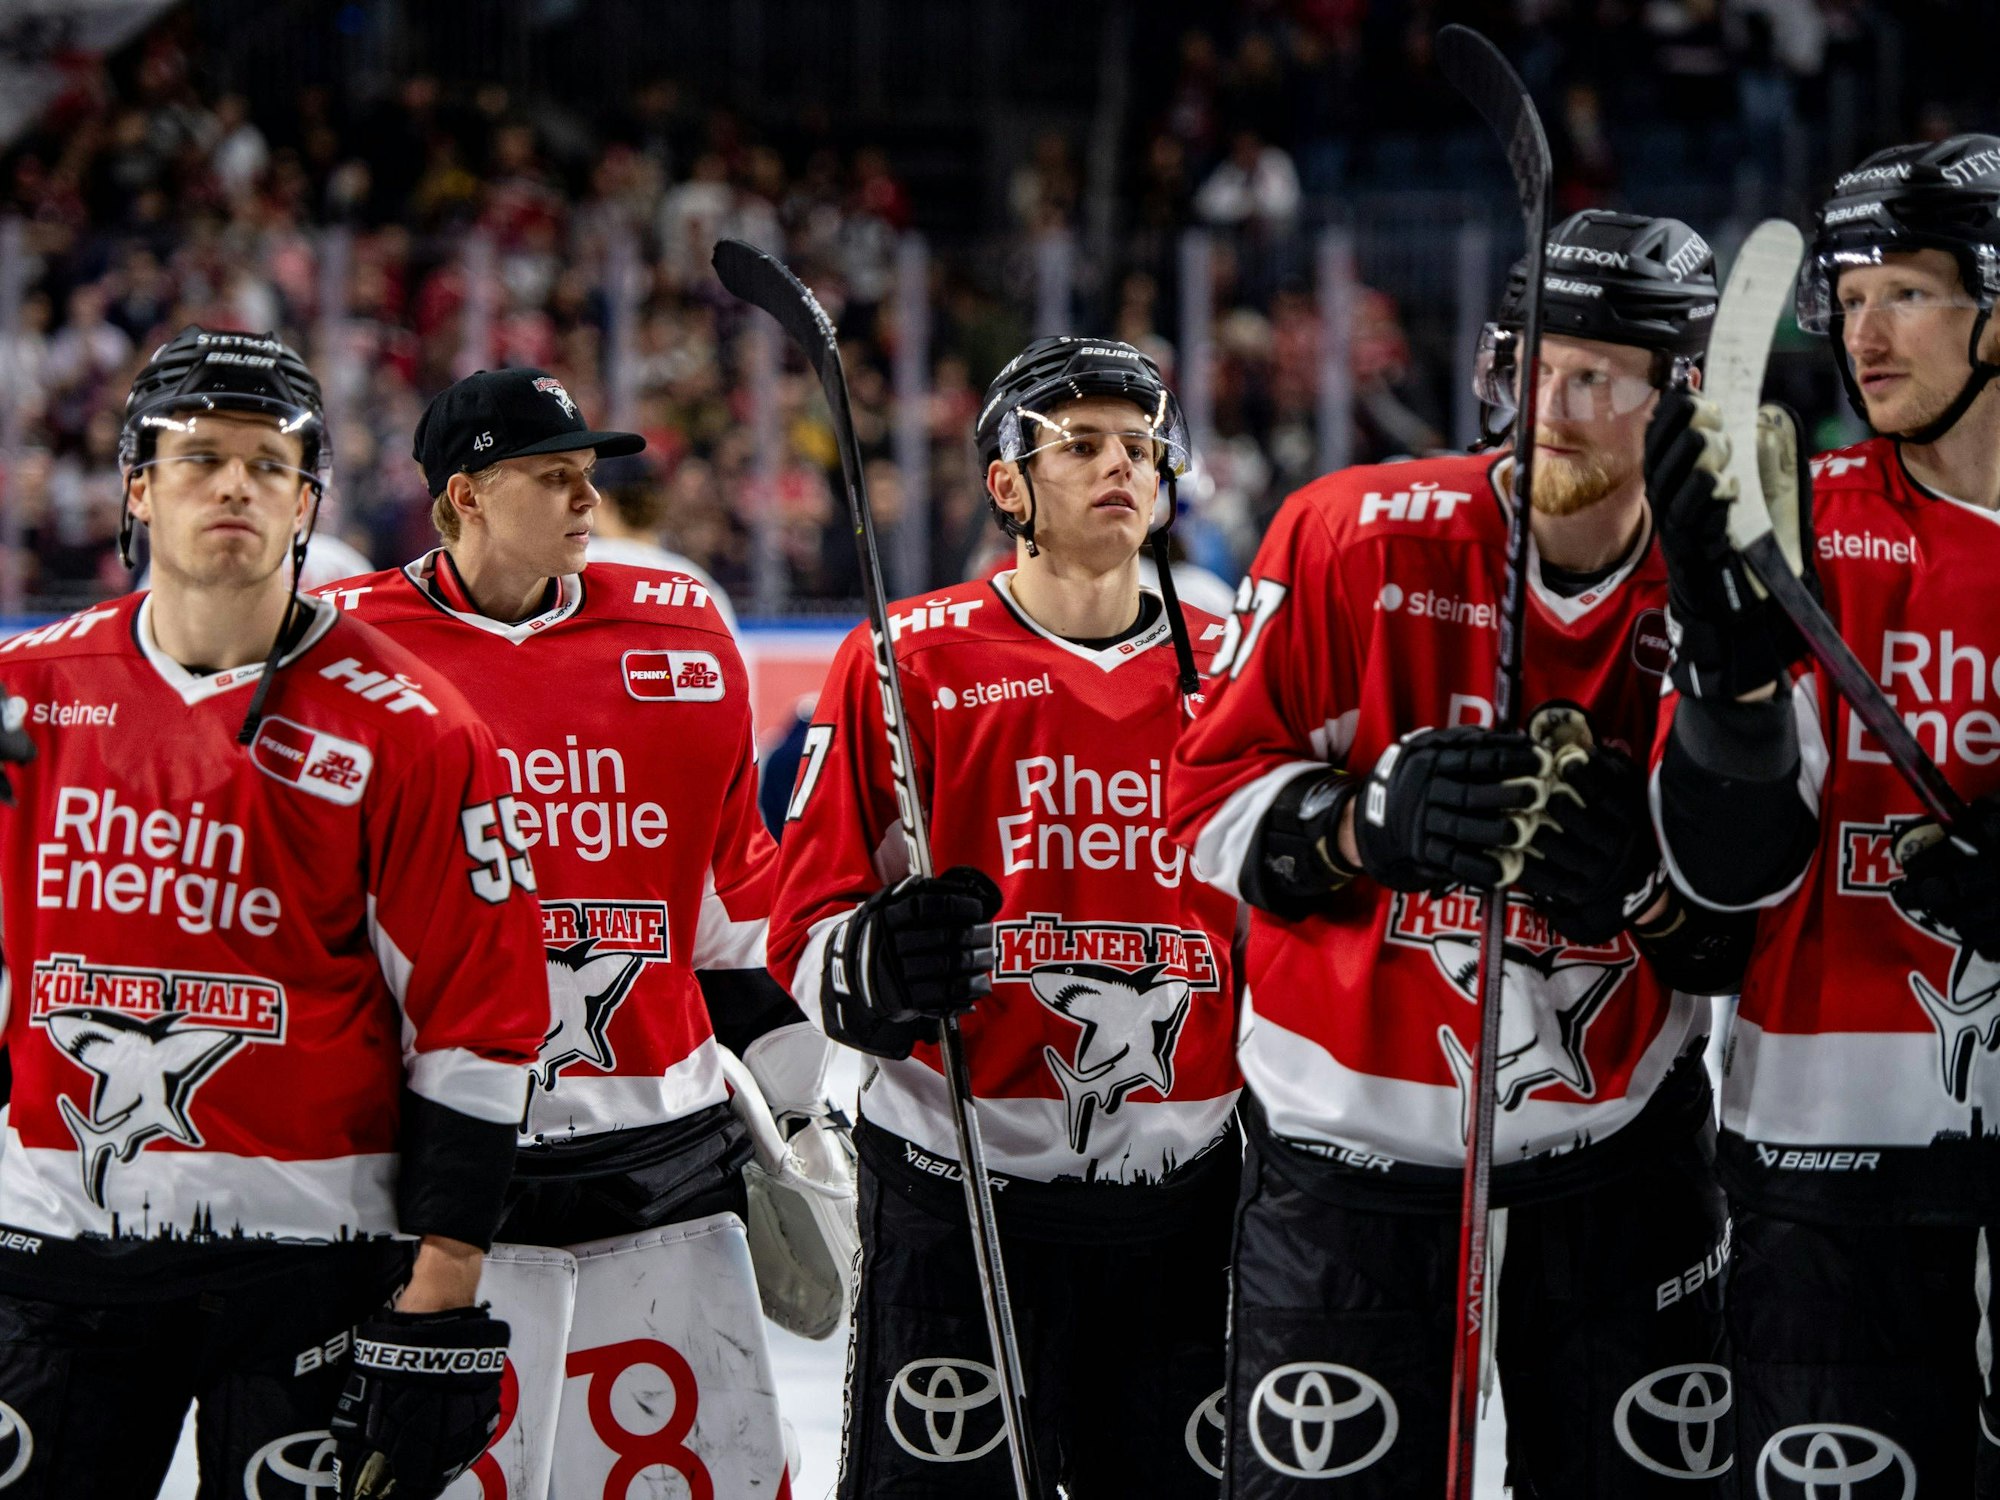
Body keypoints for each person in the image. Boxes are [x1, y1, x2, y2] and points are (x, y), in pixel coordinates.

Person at [1168, 212, 1752, 1496]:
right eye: (1531, 365)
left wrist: (1644, 883)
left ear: (1679, 400)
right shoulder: (1348, 535)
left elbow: (1740, 920)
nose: (1550, 406)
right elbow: (1201, 812)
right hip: (1350, 1161)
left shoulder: (1720, 588)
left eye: (1596, 377)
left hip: (1618, 1157)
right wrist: (1358, 826)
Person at [0, 327, 548, 1498]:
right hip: (52, 1249)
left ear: (307, 502)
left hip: (314, 1261)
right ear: (138, 489)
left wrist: (445, 1283)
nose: (235, 485)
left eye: (269, 464)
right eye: (200, 459)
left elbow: (480, 1018)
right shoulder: (26, 698)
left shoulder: (414, 727)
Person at [322, 365, 843, 1492]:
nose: (587, 498)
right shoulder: (345, 650)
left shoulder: (681, 630)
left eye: (588, 474)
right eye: (552, 475)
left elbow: (730, 916)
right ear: (465, 495)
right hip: (442, 1176)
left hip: (660, 1161)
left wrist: (806, 1104)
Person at [765, 337, 1244, 1497]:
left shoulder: (1232, 667)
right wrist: (874, 967)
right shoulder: (904, 659)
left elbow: (1287, 921)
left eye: (1138, 446)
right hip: (955, 1191)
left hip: (1188, 1201)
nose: (1119, 466)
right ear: (1006, 486)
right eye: (1079, 445)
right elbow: (804, 921)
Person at [1646, 134, 2000, 1494]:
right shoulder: (1794, 534)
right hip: (1825, 1145)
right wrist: (1725, 676)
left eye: (1904, 291)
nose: (1863, 335)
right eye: (1847, 299)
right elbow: (1724, 877)